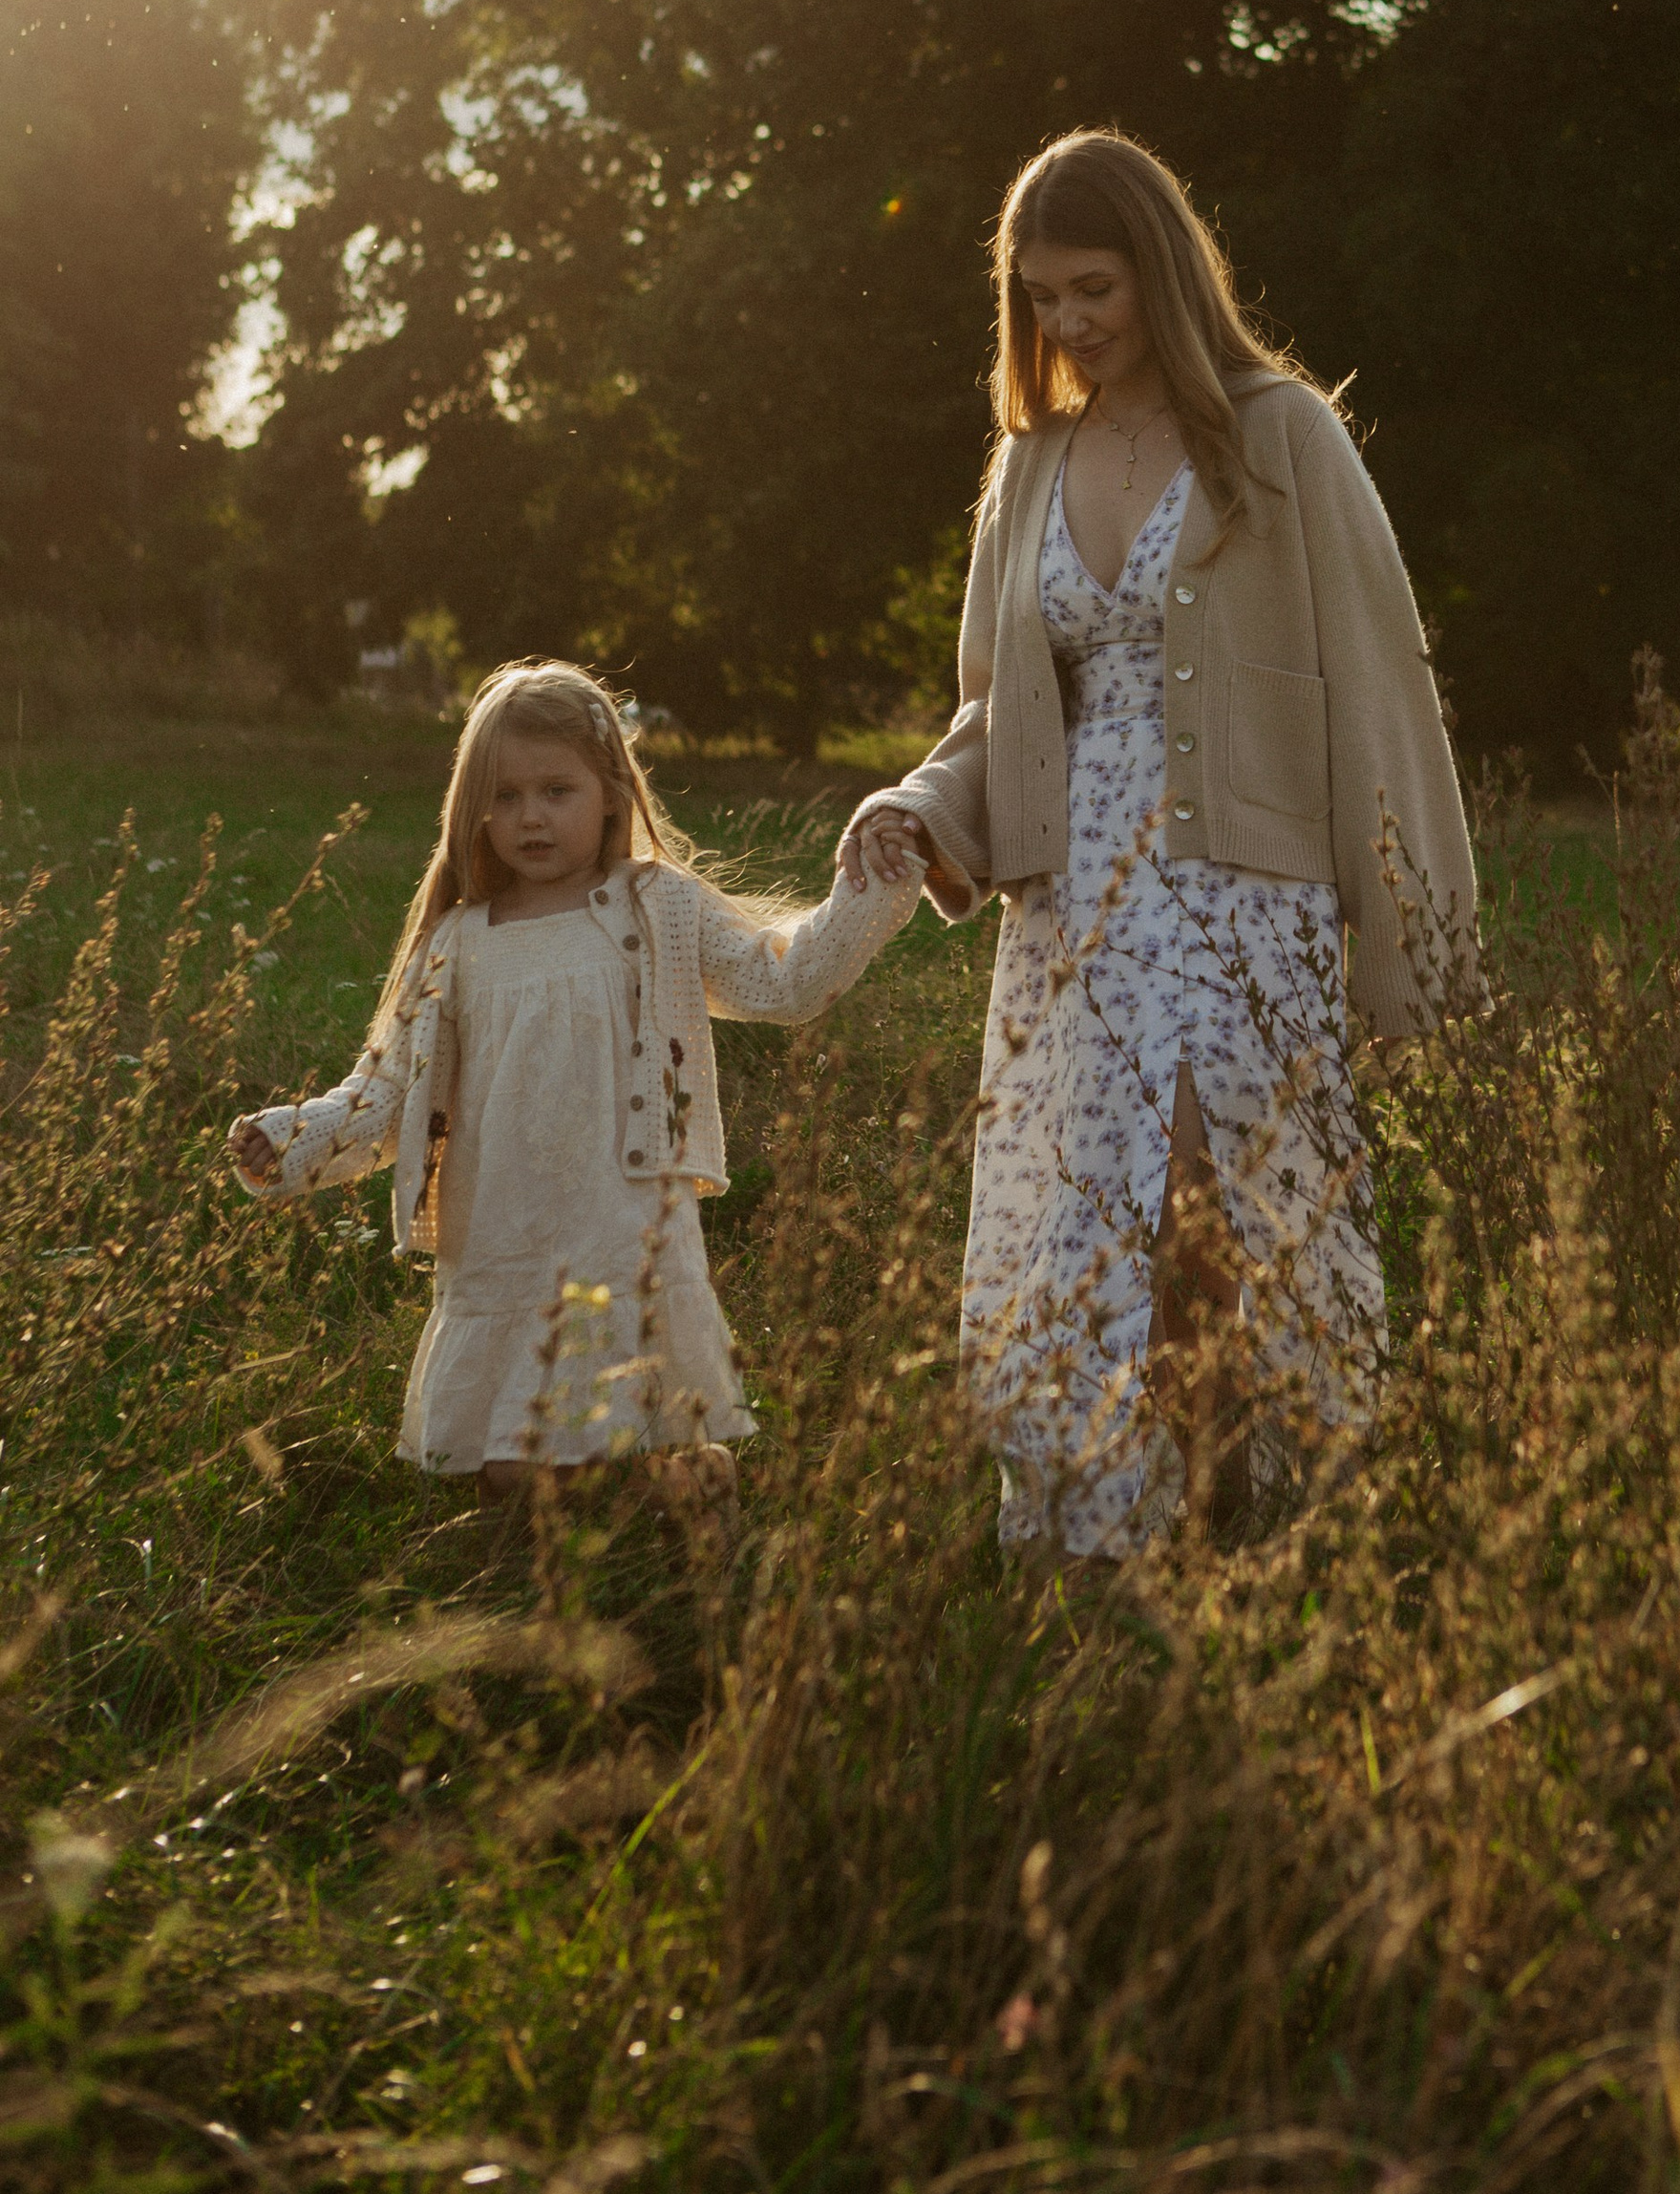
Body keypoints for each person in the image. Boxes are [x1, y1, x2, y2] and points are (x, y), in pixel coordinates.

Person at [842, 129, 1477, 1565]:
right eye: (1040, 296)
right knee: (1093, 1227)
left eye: (1094, 289)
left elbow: (1380, 687)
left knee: (1216, 1216)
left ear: (1164, 274)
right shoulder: (1032, 461)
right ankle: (1112, 1557)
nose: (1066, 323)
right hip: (1075, 907)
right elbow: (996, 708)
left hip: (1248, 901)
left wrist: (1412, 939)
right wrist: (920, 807)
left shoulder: (1282, 432)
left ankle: (1245, 1531)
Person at [227, 658, 916, 1524]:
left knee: (632, 1426)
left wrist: (875, 886)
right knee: (512, 1481)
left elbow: (783, 983)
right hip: (502, 1230)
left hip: (621, 1219)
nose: (530, 817)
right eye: (506, 796)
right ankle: (634, 1523)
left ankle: (688, 1497)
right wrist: (298, 1140)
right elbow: (390, 1090)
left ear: (611, 794)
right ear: (474, 807)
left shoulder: (655, 908)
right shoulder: (456, 941)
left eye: (556, 790)